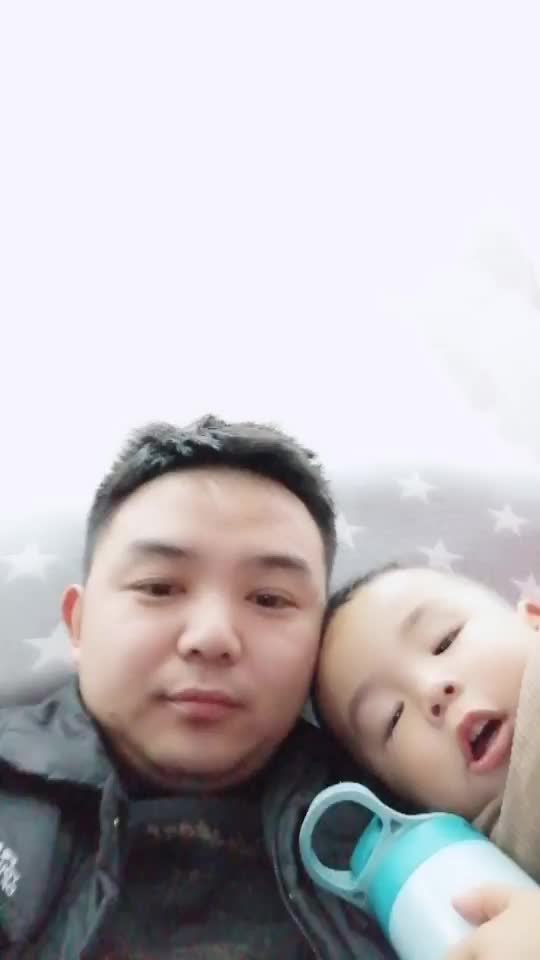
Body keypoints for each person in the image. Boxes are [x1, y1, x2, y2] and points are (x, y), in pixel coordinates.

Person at [0, 415, 394, 960]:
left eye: (269, 599)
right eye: (159, 587)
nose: (212, 637)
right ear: (79, 624)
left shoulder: (396, 816)